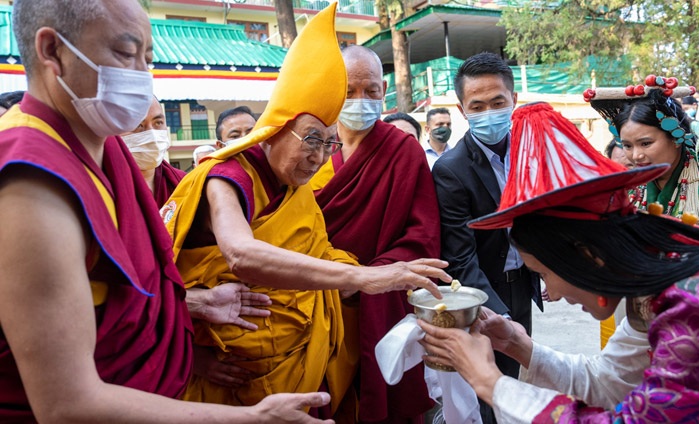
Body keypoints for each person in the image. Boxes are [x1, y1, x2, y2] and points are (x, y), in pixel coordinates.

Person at [0, 0, 340, 422]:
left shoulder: (107, 154)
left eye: (148, 59)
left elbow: (135, 295)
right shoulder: (31, 181)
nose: (143, 77)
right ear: (52, 51)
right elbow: (67, 404)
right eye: (126, 55)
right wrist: (254, 419)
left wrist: (195, 304)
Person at [163, 6, 449, 419]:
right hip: (231, 377)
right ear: (277, 125)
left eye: (330, 144)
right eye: (311, 139)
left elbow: (317, 251)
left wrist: (368, 279)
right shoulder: (226, 177)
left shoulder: (292, 188)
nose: (318, 158)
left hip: (302, 362)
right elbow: (241, 253)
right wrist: (365, 277)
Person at [420, 102, 699, 423]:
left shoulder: (695, 304)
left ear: (586, 255)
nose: (554, 294)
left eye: (544, 274)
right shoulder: (655, 293)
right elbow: (609, 380)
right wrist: (519, 345)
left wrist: (491, 383)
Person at [309, 45, 441, 424]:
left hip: (380, 306)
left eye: (371, 92)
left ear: (384, 91)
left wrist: (367, 280)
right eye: (349, 91)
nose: (360, 101)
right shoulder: (311, 149)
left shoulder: (403, 150)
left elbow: (423, 238)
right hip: (317, 302)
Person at [430, 52, 542, 424]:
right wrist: (499, 315)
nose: (489, 112)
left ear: (514, 101)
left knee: (519, 380)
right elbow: (460, 255)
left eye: (498, 102)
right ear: (463, 110)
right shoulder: (451, 169)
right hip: (483, 295)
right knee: (489, 391)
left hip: (523, 284)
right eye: (477, 105)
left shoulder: (532, 151)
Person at [590, 78, 699, 229]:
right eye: (627, 146)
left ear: (675, 138)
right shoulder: (630, 188)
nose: (636, 155)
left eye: (646, 143)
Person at [121, 96, 187, 206]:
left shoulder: (185, 183)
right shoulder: (104, 186)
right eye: (138, 125)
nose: (152, 135)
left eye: (158, 122)